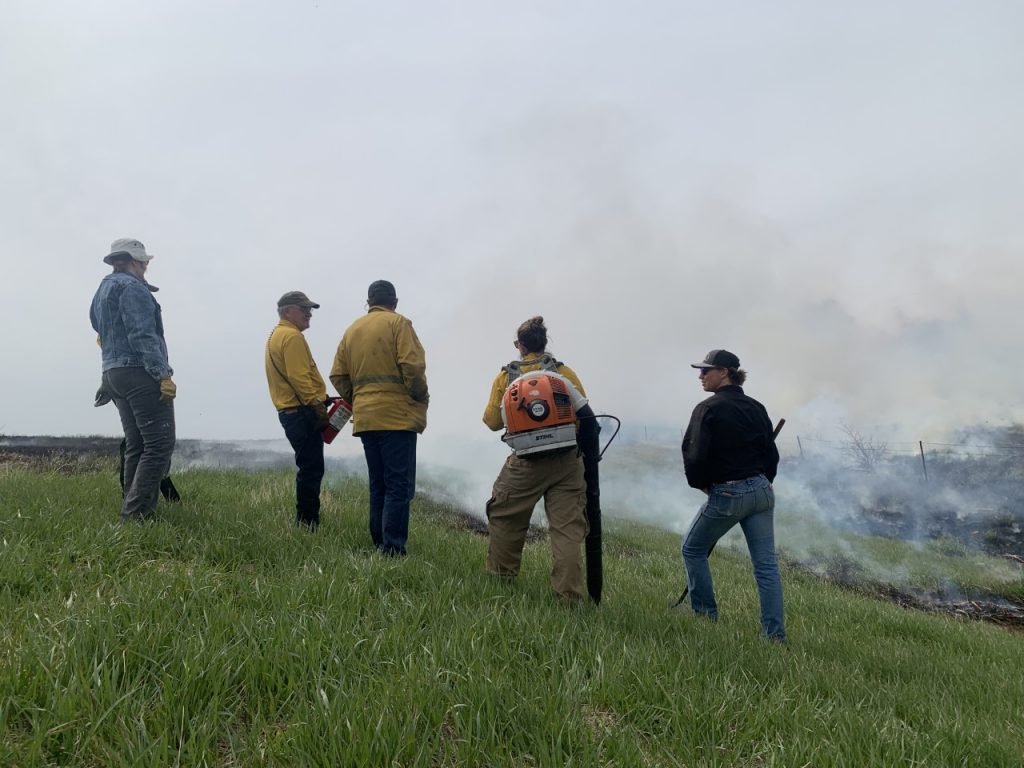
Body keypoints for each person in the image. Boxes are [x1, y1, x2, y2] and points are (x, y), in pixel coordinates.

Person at [482, 316, 600, 603]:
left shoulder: (505, 376)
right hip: (567, 462)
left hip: (525, 463)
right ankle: (569, 598)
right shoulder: (564, 372)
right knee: (567, 530)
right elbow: (584, 413)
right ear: (544, 343)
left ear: (519, 345)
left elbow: (492, 422)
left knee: (506, 518)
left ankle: (501, 583)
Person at [680, 349, 784, 641]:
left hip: (728, 493)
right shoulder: (757, 407)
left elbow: (693, 454)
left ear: (724, 372)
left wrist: (701, 485)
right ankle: (774, 636)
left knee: (692, 549)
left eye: (706, 371)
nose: (700, 376)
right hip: (763, 491)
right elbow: (770, 453)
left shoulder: (707, 408)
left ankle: (705, 618)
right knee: (766, 567)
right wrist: (766, 480)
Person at [330, 280, 428, 556]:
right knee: (399, 485)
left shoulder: (352, 330)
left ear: (369, 302)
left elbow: (337, 375)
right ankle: (393, 550)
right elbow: (412, 365)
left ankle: (379, 544)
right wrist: (418, 396)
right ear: (394, 302)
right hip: (397, 418)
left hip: (366, 419)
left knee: (379, 484)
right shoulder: (399, 324)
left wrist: (359, 397)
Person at [89, 238, 176, 522]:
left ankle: (136, 511)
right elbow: (143, 335)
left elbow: (97, 326)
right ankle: (135, 516)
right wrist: (162, 374)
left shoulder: (103, 288)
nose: (147, 265)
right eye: (143, 261)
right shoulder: (132, 287)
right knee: (159, 445)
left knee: (138, 444)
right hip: (139, 372)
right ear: (130, 261)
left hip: (113, 374)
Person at [265, 291, 330, 529]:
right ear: (287, 311)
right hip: (301, 412)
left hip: (292, 412)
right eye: (303, 309)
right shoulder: (292, 337)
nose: (308, 314)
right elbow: (299, 376)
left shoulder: (277, 335)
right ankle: (307, 523)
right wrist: (316, 405)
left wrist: (322, 399)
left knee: (308, 467)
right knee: (312, 469)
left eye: (309, 309)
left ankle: (307, 521)